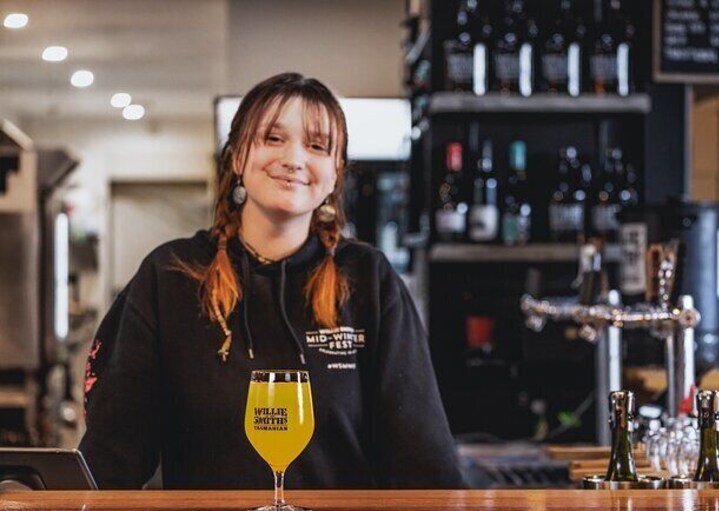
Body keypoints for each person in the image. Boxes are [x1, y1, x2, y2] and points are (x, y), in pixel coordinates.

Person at [79, 72, 464, 489]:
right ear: (238, 156)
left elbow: (426, 468)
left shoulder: (369, 280)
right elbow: (111, 459)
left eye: (316, 146)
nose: (294, 159)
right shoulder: (170, 275)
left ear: (335, 173)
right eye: (273, 139)